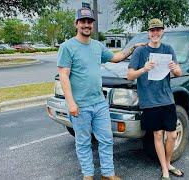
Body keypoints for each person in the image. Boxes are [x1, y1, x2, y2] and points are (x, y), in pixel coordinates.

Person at [57, 6, 144, 180]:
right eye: (83, 21)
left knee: (106, 139)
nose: (86, 25)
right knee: (83, 142)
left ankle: (108, 174)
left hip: (100, 104)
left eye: (89, 22)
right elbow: (64, 76)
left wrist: (133, 47)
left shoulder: (97, 46)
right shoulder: (67, 47)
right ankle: (88, 175)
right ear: (76, 24)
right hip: (80, 105)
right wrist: (71, 103)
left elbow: (116, 57)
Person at [127, 18, 184, 180]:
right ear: (148, 33)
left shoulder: (168, 49)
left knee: (172, 135)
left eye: (158, 30)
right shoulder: (140, 52)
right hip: (150, 101)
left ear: (162, 32)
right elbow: (129, 75)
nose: (155, 33)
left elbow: (179, 72)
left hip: (167, 99)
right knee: (158, 135)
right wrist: (144, 69)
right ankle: (165, 170)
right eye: (152, 30)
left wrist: (175, 68)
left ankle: (167, 163)